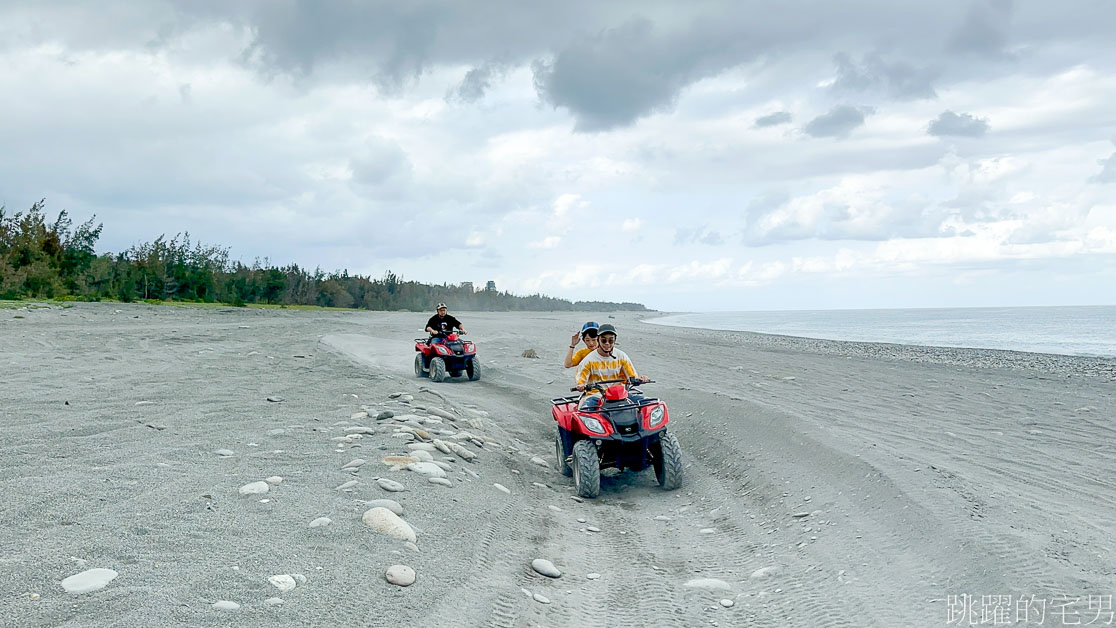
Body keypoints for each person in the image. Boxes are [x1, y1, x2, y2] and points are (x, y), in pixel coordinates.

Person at [574, 323, 649, 410]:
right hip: (596, 395)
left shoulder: (622, 356)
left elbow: (632, 376)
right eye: (603, 340)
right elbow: (581, 380)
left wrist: (640, 379)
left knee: (650, 403)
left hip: (619, 394)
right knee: (585, 412)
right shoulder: (588, 360)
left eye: (611, 340)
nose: (607, 343)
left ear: (614, 341)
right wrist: (581, 385)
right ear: (598, 340)